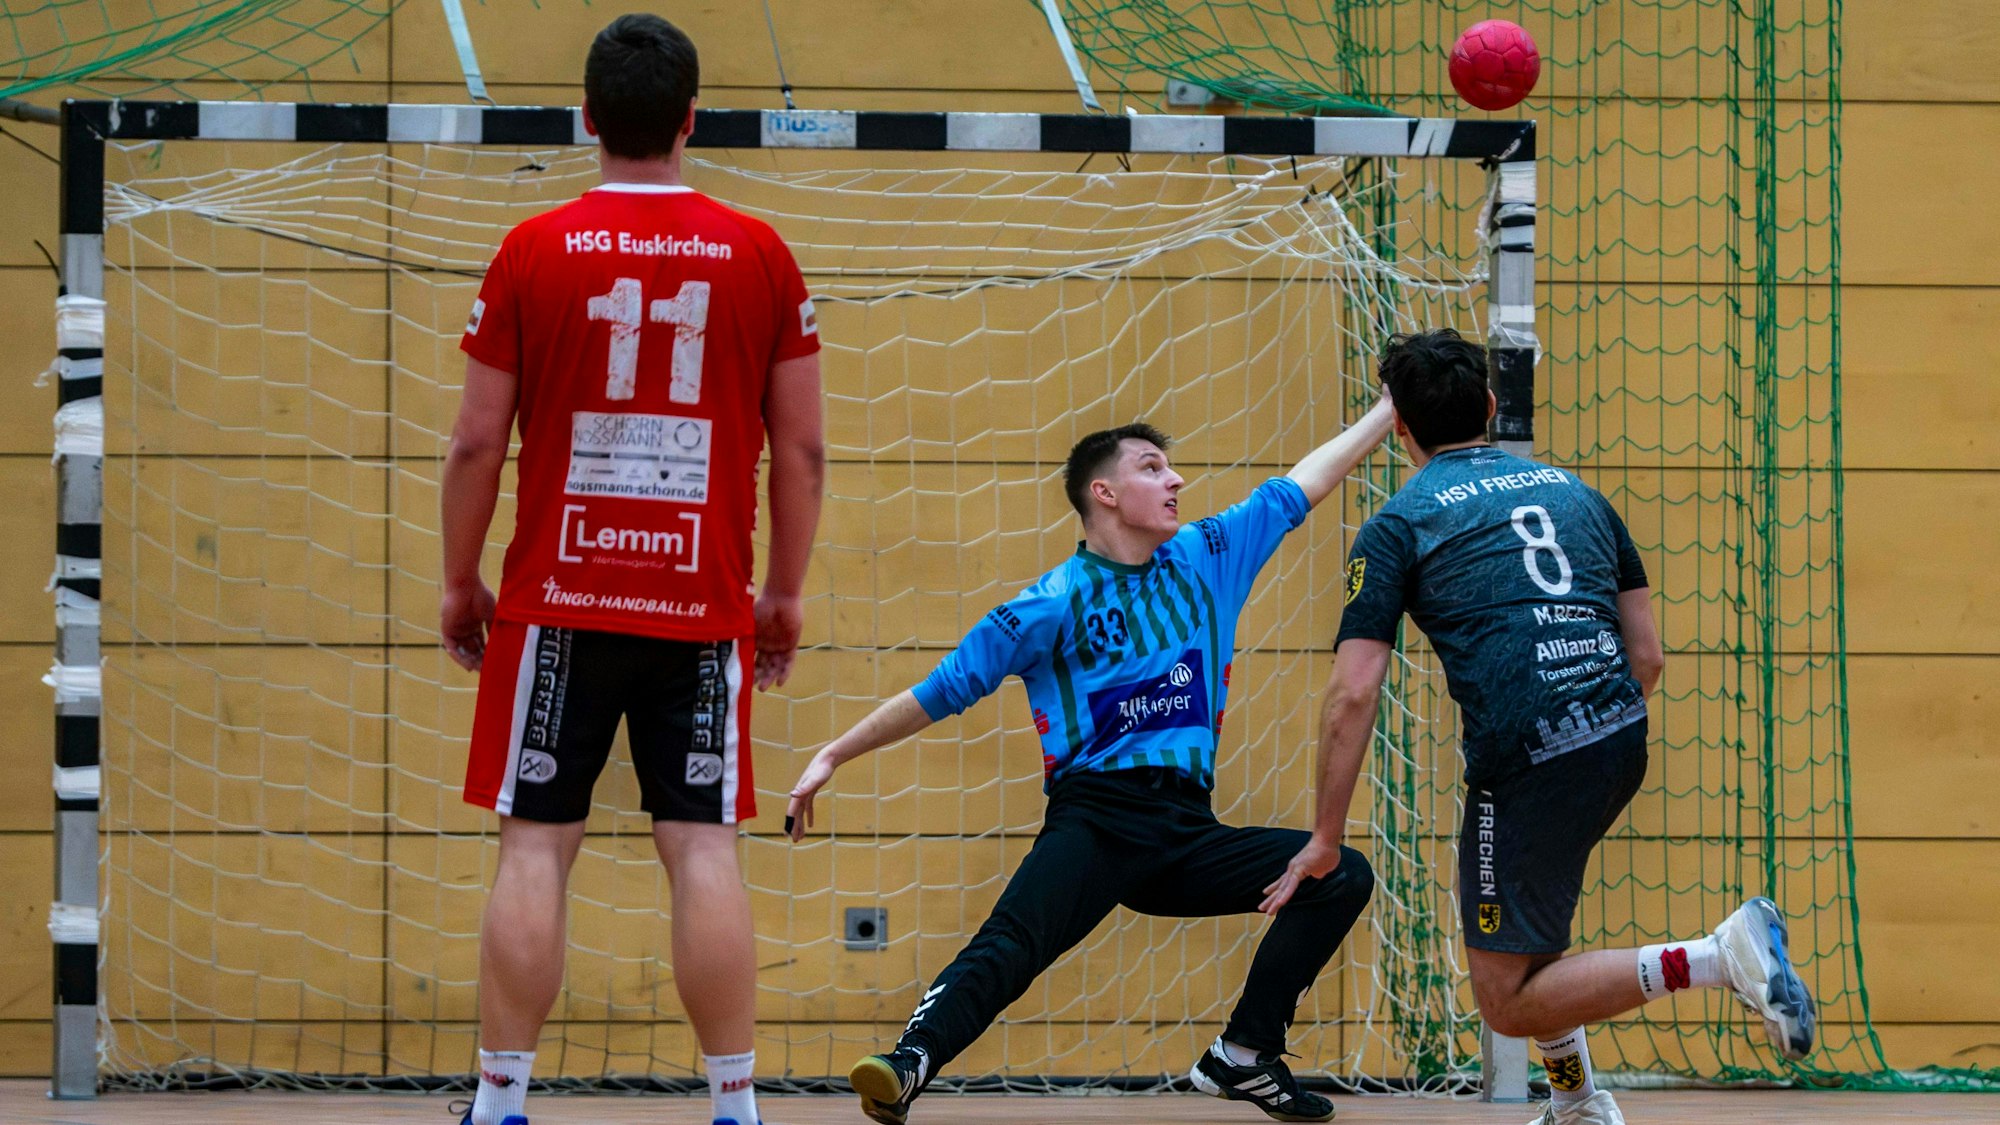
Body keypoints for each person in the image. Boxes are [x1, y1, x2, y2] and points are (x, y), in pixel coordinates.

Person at [786, 402, 1396, 1124]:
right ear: (1103, 493)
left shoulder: (1209, 555)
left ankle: (1244, 1054)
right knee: (1012, 943)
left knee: (1338, 873)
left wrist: (1389, 409)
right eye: (1152, 467)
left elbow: (1302, 485)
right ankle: (908, 1062)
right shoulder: (1049, 603)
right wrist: (833, 750)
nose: (1175, 479)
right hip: (1096, 819)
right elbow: (941, 690)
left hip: (1184, 831)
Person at [1261, 329, 1815, 1125]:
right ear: (1491, 406)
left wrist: (1323, 834)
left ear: (1403, 431)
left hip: (1526, 754)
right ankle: (1579, 1101)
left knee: (1506, 1001)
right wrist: (1590, 722)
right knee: (1529, 936)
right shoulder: (1579, 493)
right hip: (1619, 733)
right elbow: (1648, 654)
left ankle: (1717, 955)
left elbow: (1354, 691)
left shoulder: (1397, 523)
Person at [438, 15, 825, 1125]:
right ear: (691, 117)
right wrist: (783, 594)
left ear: (588, 118)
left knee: (533, 848)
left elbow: (474, 442)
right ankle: (735, 1107)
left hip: (554, 601)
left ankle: (501, 1103)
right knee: (701, 846)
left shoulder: (529, 249)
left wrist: (460, 580)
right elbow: (799, 450)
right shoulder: (759, 252)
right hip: (698, 605)